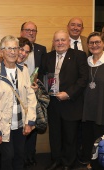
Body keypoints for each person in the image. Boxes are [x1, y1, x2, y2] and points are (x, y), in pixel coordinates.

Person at [0, 35, 37, 170]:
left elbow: (30, 97)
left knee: (20, 156)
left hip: (21, 124)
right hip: (4, 126)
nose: (13, 52)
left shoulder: (24, 70)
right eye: (9, 48)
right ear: (1, 52)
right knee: (8, 157)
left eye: (15, 48)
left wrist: (30, 121)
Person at [41, 30, 88, 170]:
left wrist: (68, 93)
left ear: (68, 41)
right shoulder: (47, 57)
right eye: (57, 40)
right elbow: (43, 75)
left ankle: (68, 162)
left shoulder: (79, 55)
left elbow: (83, 79)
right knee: (55, 135)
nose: (60, 43)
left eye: (63, 40)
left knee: (70, 136)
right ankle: (56, 160)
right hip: (53, 103)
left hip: (71, 103)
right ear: (53, 42)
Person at [20, 21, 47, 166]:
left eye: (34, 31)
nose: (31, 33)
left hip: (34, 92)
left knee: (33, 124)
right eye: (27, 30)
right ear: (21, 32)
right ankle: (21, 155)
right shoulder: (17, 48)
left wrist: (40, 87)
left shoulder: (41, 49)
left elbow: (43, 71)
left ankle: (31, 155)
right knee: (20, 125)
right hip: (18, 94)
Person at [80, 32, 104, 170]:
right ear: (88, 45)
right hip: (87, 107)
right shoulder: (85, 62)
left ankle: (99, 163)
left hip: (101, 107)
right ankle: (91, 161)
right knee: (88, 138)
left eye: (97, 42)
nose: (94, 45)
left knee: (100, 138)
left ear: (103, 43)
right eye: (91, 43)